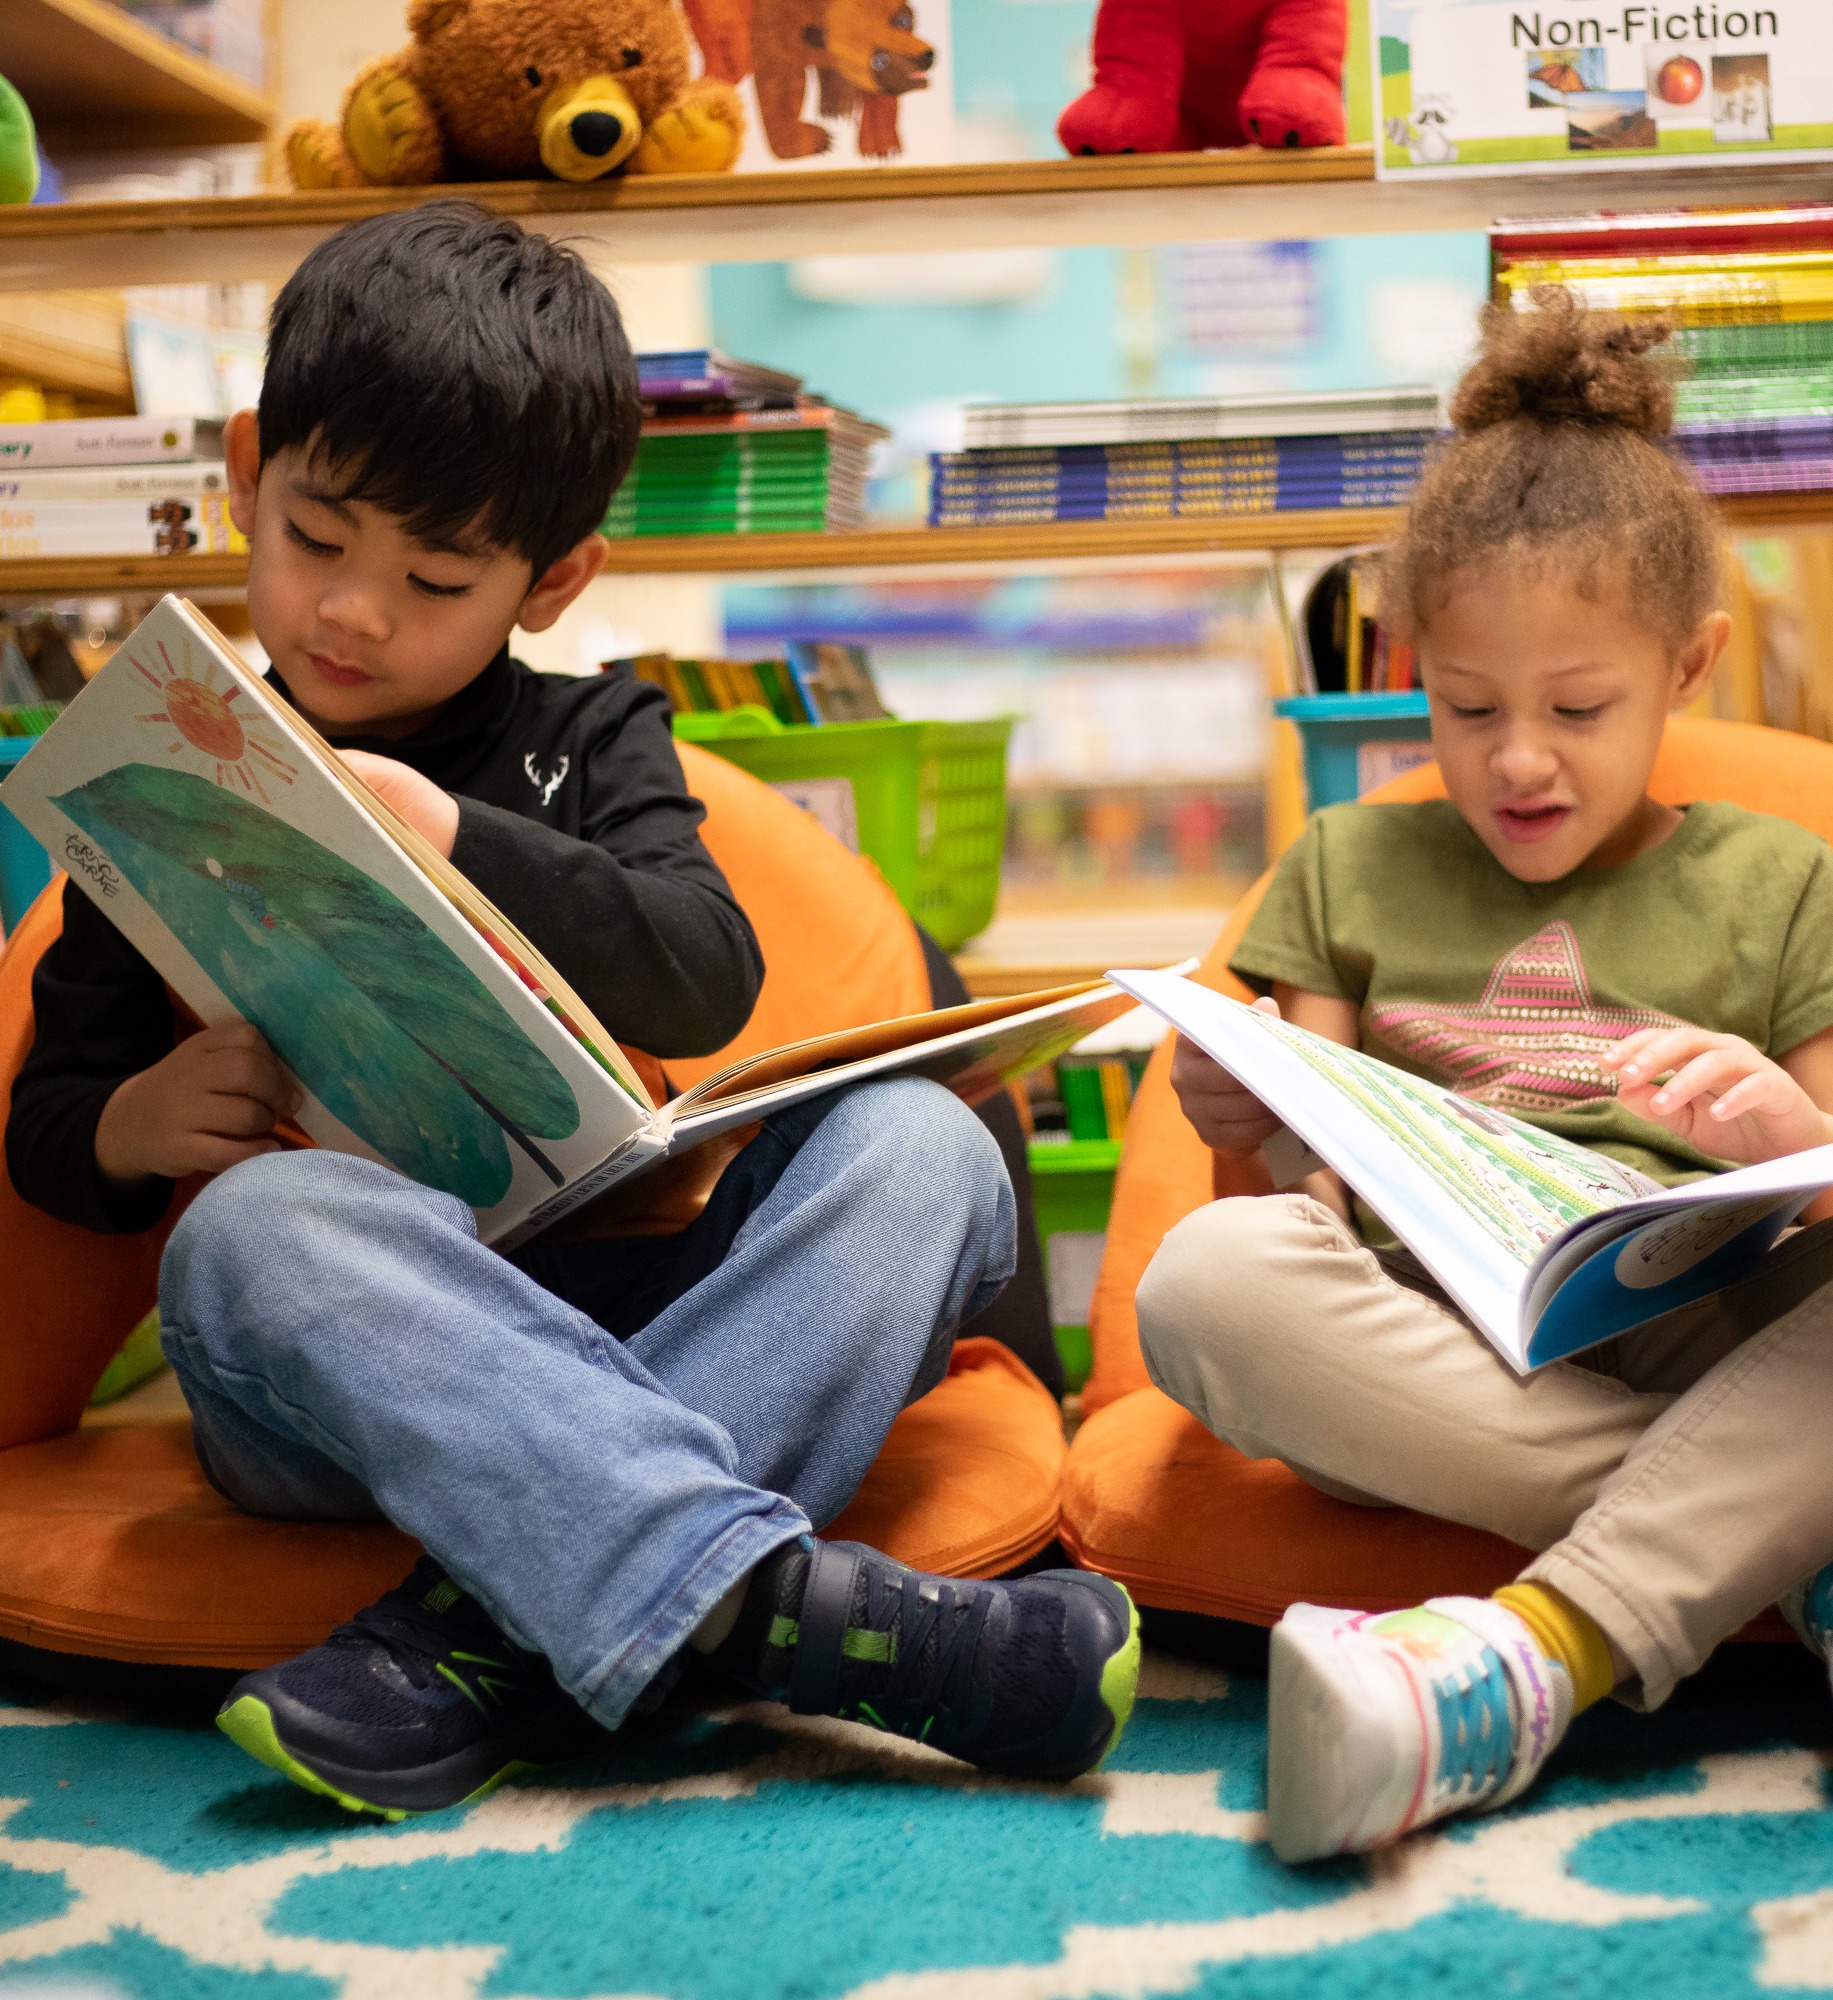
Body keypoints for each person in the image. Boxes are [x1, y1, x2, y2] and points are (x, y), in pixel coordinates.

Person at [4, 200, 1138, 1820]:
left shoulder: (596, 740)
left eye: (436, 578)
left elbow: (703, 968)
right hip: (343, 1384)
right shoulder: (177, 784)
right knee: (249, 1229)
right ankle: (805, 1619)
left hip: (648, 1330)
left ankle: (484, 1638)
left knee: (923, 1154)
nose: (353, 613)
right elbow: (49, 1138)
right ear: (247, 471)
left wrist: (460, 836)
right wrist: (131, 1123)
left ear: (554, 581)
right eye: (315, 539)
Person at [1139, 290, 1833, 1862]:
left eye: (1579, 709)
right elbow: (1299, 1209)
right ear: (1413, 669)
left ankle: (1518, 1659)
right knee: (1204, 1280)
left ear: (1689, 667)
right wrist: (1245, 1131)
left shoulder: (1778, 879)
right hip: (1445, 1349)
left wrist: (1781, 1124)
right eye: (1466, 710)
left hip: (1726, 1320)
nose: (1518, 760)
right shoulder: (1347, 860)